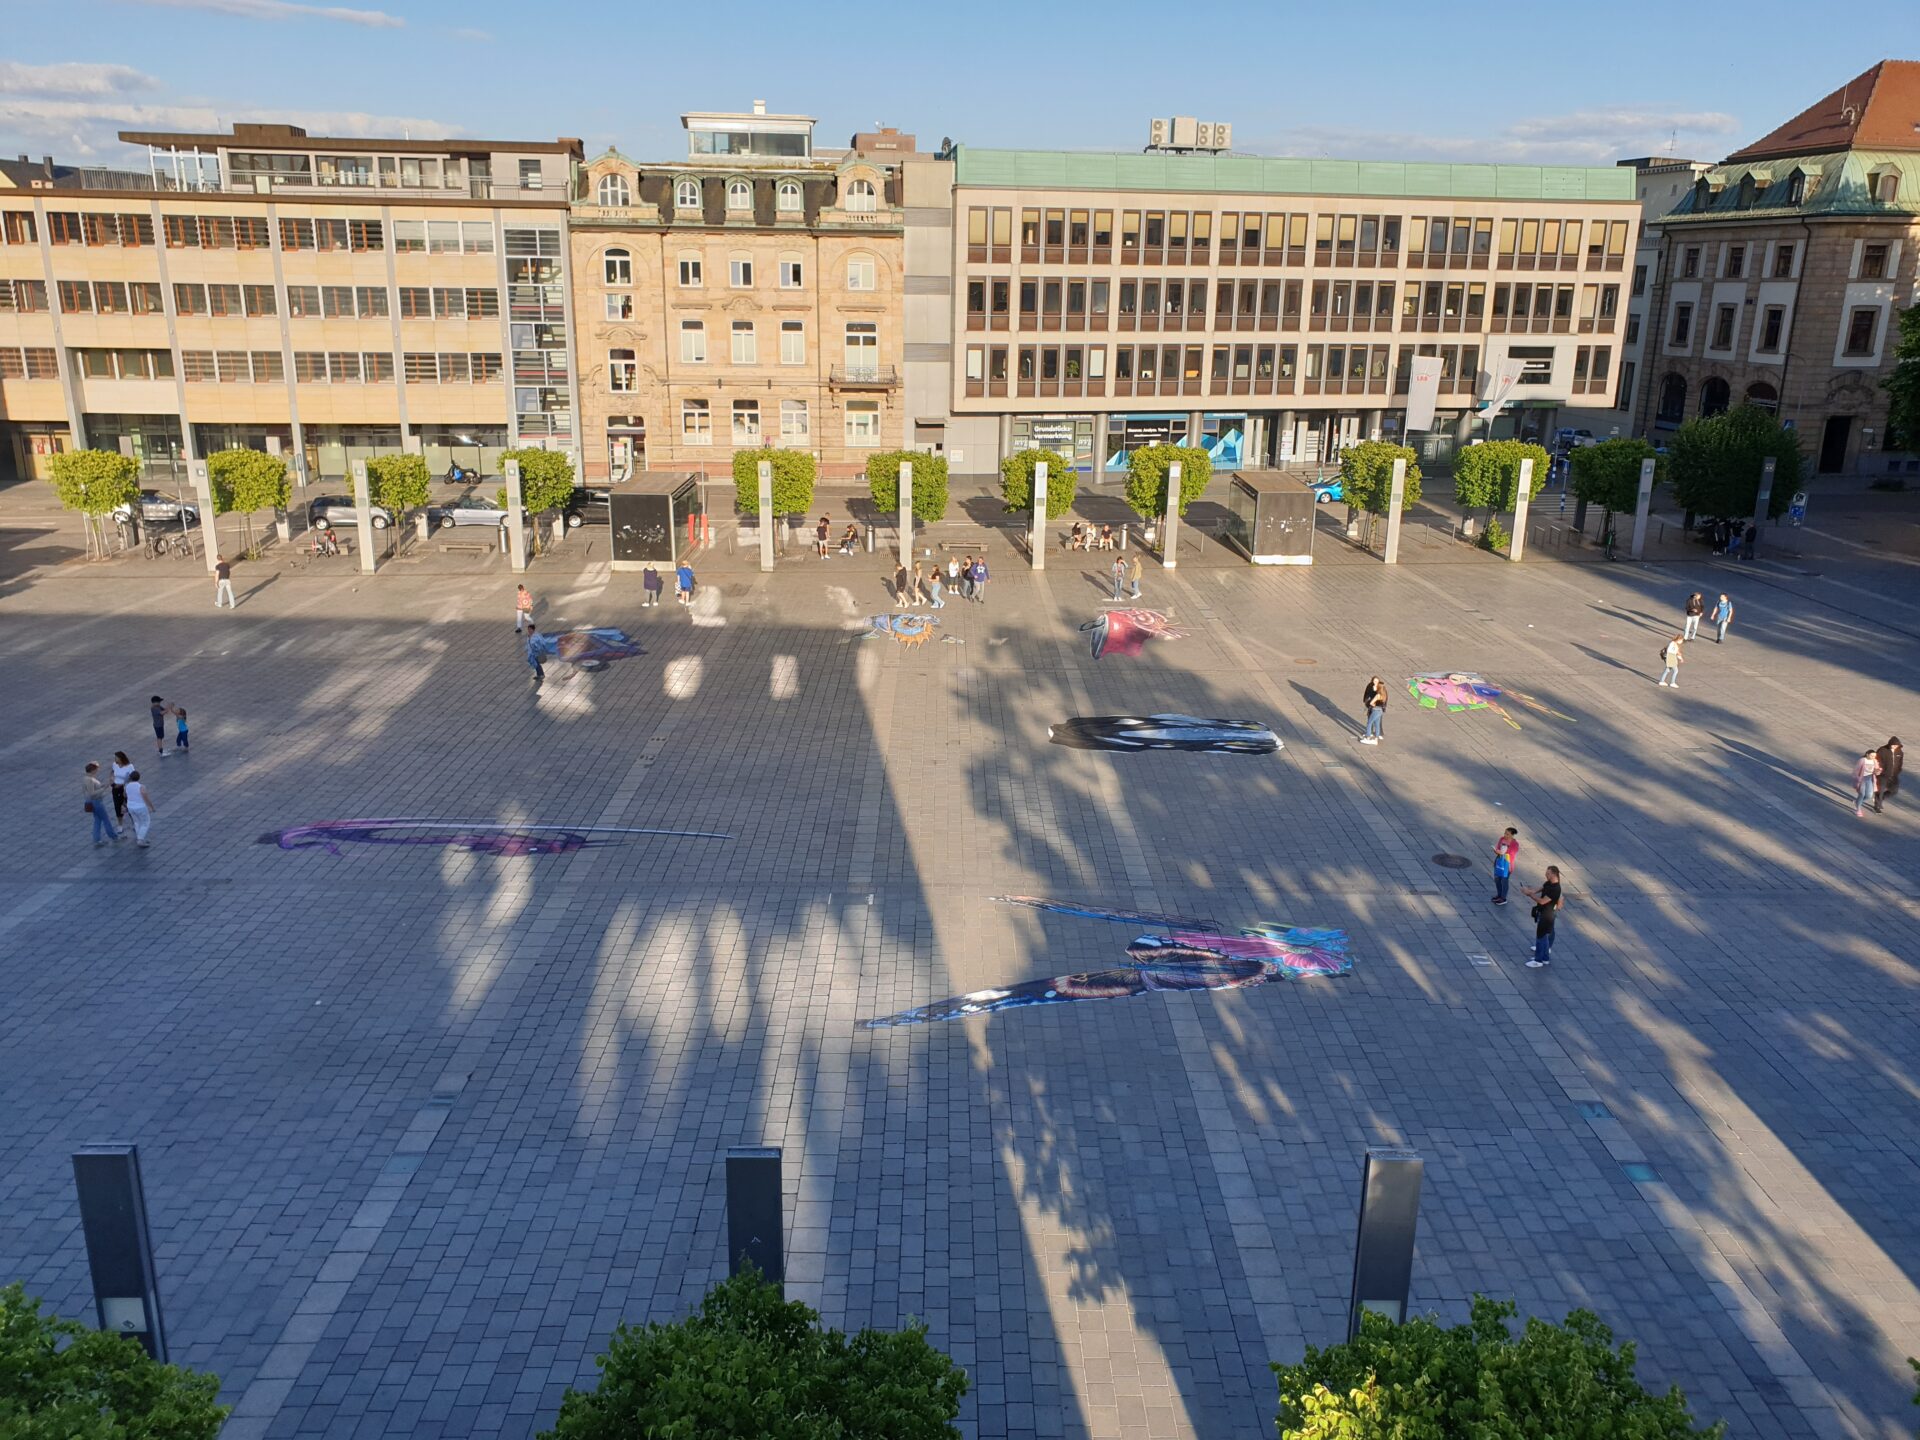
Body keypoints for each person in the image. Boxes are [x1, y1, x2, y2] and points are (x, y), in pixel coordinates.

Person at [1522, 866, 1563, 968]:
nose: (1546, 875)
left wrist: (1529, 895)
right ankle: (1545, 958)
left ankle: (1538, 960)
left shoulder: (1555, 889)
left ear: (1554, 874)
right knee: (1544, 937)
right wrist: (1530, 891)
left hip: (1547, 916)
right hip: (1543, 913)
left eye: (1548, 873)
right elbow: (1540, 889)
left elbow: (1542, 901)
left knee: (1541, 937)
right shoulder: (1549, 883)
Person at [83, 762, 120, 846]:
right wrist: (105, 788)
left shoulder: (86, 778)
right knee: (106, 819)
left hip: (91, 802)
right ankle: (113, 836)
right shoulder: (90, 780)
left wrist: (105, 784)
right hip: (96, 802)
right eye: (97, 769)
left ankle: (97, 839)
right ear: (93, 770)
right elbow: (92, 793)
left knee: (97, 820)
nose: (97, 770)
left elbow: (94, 788)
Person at [122, 769, 155, 848]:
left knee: (137, 822)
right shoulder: (141, 787)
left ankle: (139, 837)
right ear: (138, 778)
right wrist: (152, 807)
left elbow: (125, 795)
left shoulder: (127, 786)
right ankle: (140, 839)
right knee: (145, 822)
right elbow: (146, 798)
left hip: (130, 807)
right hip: (140, 807)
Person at [1873, 737, 1903, 814]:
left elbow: (1900, 762)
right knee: (1880, 790)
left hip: (1894, 775)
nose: (1894, 747)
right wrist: (1880, 770)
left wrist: (1899, 770)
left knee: (1894, 791)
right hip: (1883, 775)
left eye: (1896, 745)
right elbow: (1877, 760)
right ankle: (1877, 806)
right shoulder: (1882, 750)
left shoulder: (1900, 752)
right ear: (1890, 744)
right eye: (1893, 745)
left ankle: (1881, 798)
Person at [1492, 827, 1520, 906]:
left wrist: (1501, 853)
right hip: (1499, 862)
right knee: (1497, 879)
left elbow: (1511, 855)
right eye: (1505, 833)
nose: (1505, 835)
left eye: (1507, 834)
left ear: (1512, 835)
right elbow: (1498, 847)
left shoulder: (1515, 844)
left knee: (1504, 881)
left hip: (1507, 865)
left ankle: (1503, 898)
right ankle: (1499, 895)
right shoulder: (1502, 839)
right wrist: (1496, 851)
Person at [1854, 748, 1881, 818]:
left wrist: (1878, 771)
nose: (1873, 757)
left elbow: (1876, 770)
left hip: (1870, 779)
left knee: (1869, 795)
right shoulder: (1862, 760)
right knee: (1862, 794)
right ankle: (1858, 809)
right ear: (1867, 754)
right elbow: (1856, 771)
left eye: (1874, 756)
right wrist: (1857, 779)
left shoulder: (1874, 761)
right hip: (1862, 779)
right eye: (1872, 756)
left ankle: (1857, 802)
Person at [1360, 676, 1387, 745]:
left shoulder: (1378, 695)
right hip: (1380, 710)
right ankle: (1376, 739)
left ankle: (1368, 737)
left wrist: (1373, 703)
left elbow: (1372, 703)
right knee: (1377, 724)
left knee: (1369, 723)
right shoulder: (1384, 694)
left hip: (1375, 710)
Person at [110, 751, 134, 822]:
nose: (115, 759)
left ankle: (134, 822)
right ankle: (120, 825)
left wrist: (123, 784)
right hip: (115, 787)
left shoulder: (129, 766)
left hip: (125, 787)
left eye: (116, 758)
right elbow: (112, 771)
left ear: (121, 758)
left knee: (129, 805)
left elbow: (133, 777)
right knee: (117, 806)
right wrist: (111, 778)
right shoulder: (114, 764)